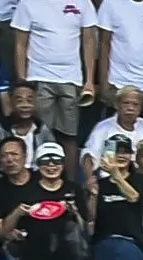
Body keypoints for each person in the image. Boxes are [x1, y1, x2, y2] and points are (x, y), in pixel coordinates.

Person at [14, 0, 99, 174]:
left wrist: (89, 80)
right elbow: (20, 44)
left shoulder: (83, 3)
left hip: (71, 79)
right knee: (41, 134)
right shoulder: (28, 3)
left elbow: (89, 41)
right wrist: (22, 81)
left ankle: (70, 185)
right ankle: (39, 182)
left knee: (69, 136)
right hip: (38, 77)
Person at [86, 136, 143, 260]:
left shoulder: (139, 179)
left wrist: (115, 175)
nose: (121, 156)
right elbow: (91, 216)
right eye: (117, 152)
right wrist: (93, 194)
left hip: (129, 245)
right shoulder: (101, 184)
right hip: (103, 245)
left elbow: (134, 197)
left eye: (125, 152)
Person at [0, 83, 53, 188]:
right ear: (11, 104)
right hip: (5, 185)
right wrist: (14, 181)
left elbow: (52, 164)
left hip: (37, 185)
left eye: (29, 101)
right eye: (19, 101)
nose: (25, 105)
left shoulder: (43, 130)